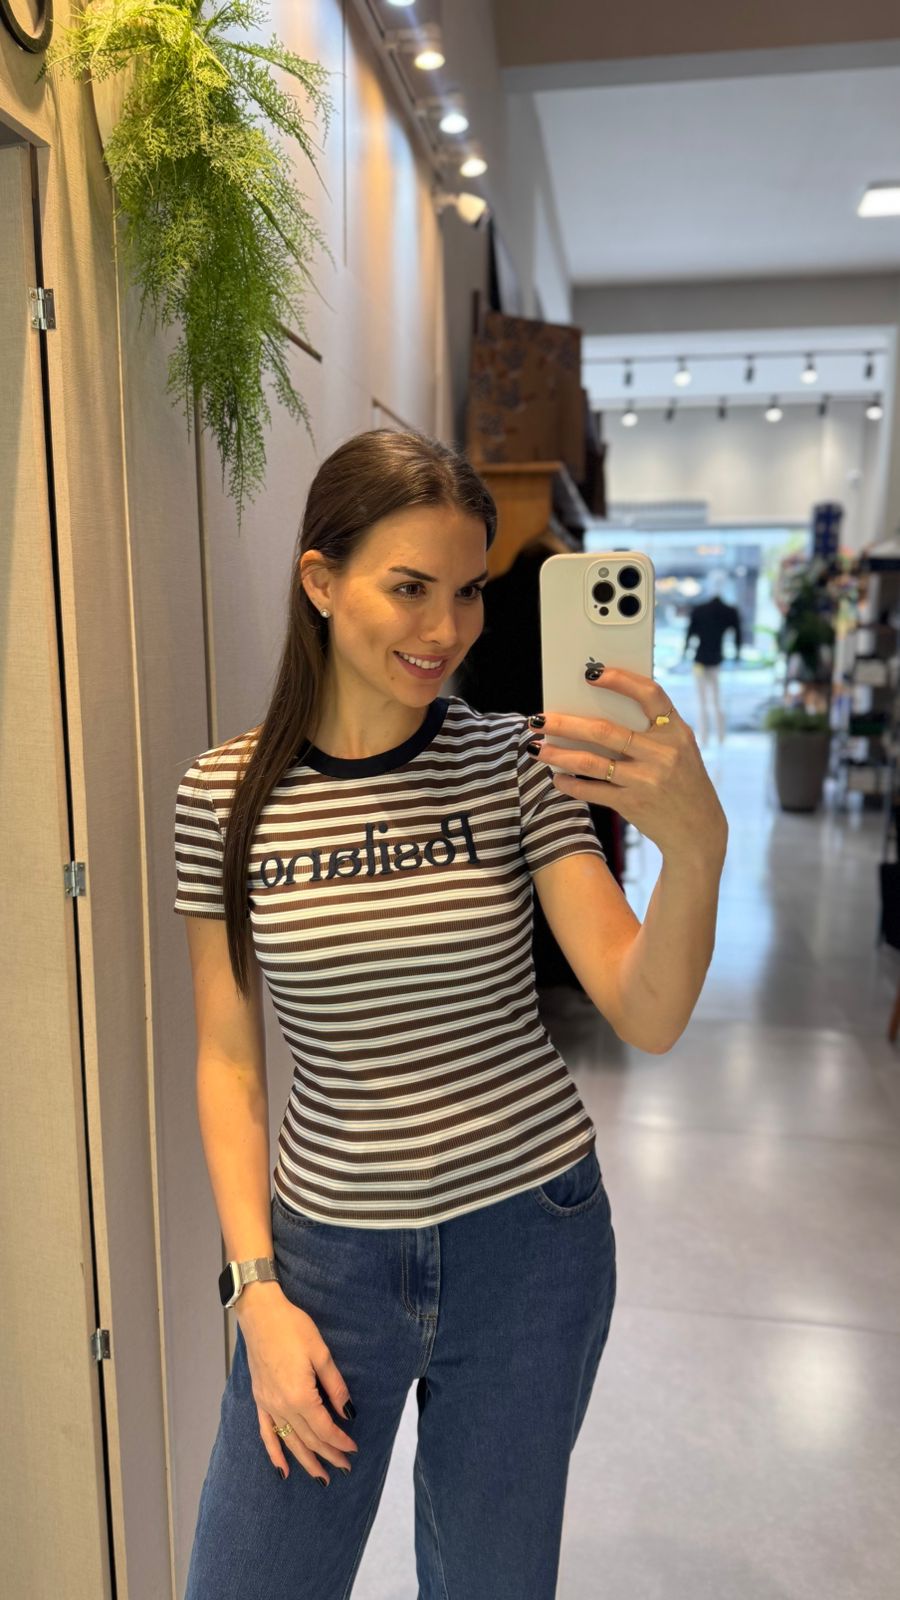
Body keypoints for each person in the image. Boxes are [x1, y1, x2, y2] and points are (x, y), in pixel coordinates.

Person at [173, 429, 618, 1599]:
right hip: (326, 1261)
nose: (447, 628)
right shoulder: (223, 797)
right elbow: (228, 1062)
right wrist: (255, 1290)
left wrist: (700, 844)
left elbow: (648, 1005)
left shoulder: (516, 762)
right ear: (321, 581)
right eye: (410, 587)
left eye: (469, 590)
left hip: (531, 1241)